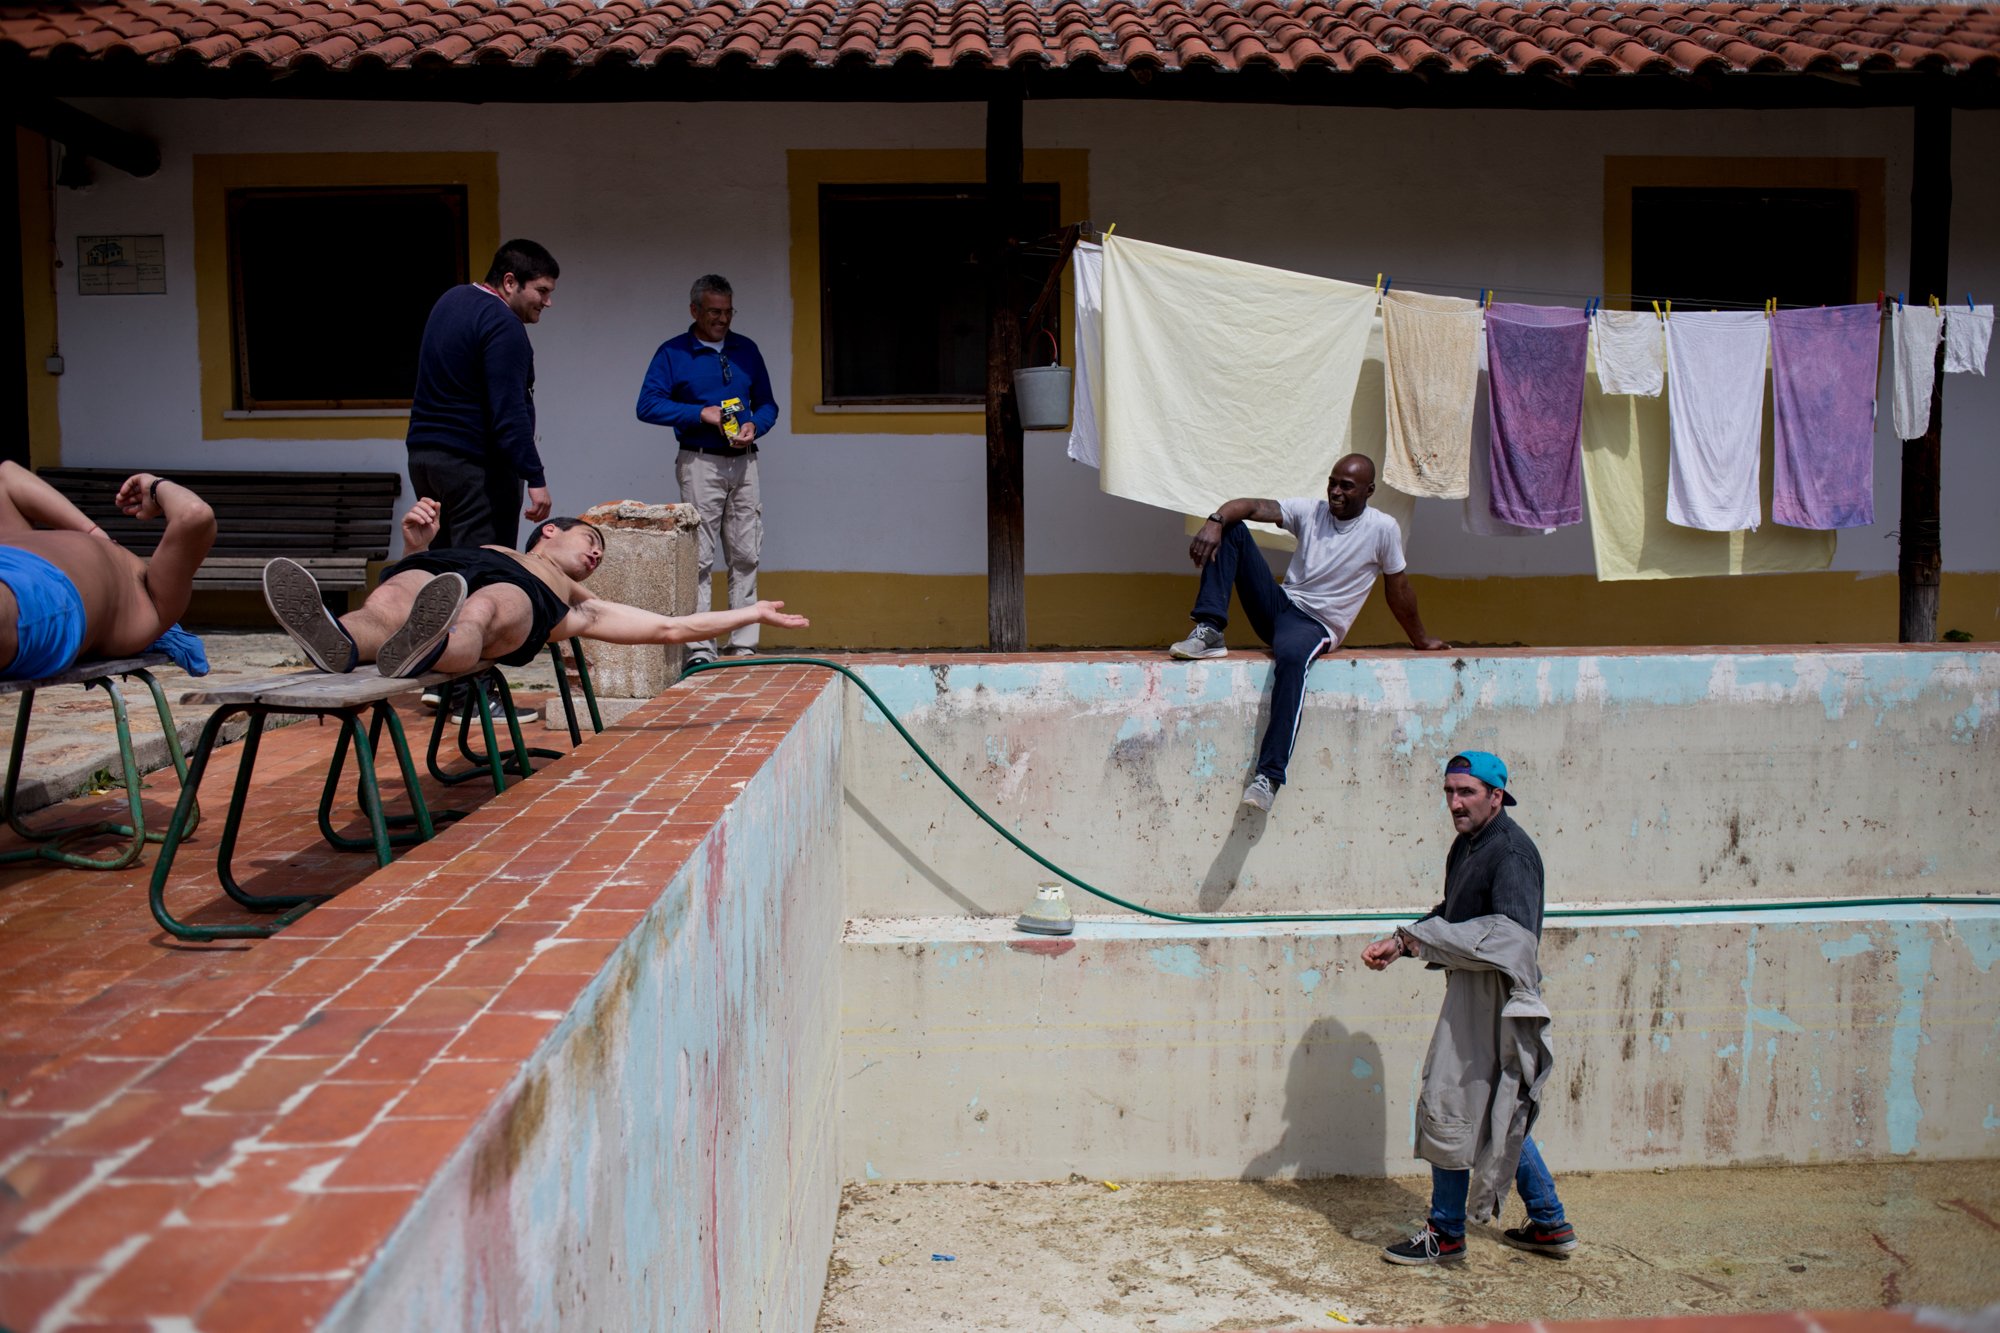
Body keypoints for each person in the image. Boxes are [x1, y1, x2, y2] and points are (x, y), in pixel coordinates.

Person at [1362, 751, 1578, 1267]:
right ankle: (1549, 1223)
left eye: (1466, 792)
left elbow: (1511, 938)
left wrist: (1420, 939)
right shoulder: (1468, 844)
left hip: (1496, 996)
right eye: (1449, 792)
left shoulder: (1512, 854)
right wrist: (1403, 939)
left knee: (1452, 1104)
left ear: (1496, 796)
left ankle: (1446, 1232)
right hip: (1472, 987)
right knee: (1489, 1113)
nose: (1455, 803)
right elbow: (1455, 914)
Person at [1167, 453, 1447, 812]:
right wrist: (1215, 520)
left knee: (1293, 660)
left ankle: (1268, 776)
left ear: (1369, 490)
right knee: (1233, 528)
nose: (1335, 491)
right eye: (1332, 482)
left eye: (1346, 486)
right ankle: (1209, 630)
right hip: (1281, 605)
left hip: (1315, 624)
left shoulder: (1382, 529)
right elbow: (1252, 505)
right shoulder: (1311, 512)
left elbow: (1399, 588)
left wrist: (1420, 639)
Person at [260, 498, 808, 680]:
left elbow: (671, 627)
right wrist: (417, 546)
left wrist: (749, 612)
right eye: (591, 540)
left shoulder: (573, 599)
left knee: (482, 609)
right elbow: (419, 583)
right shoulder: (493, 546)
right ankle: (338, 639)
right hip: (452, 566)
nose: (596, 555)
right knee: (392, 599)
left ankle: (430, 647)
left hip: (522, 596)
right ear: (550, 530)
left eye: (600, 556)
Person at [635, 273, 780, 666]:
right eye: (714, 311)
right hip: (700, 460)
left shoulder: (745, 350)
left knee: (746, 553)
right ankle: (700, 648)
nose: (722, 319)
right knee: (699, 557)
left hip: (745, 460)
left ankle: (744, 646)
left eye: (728, 311)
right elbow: (647, 406)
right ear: (694, 310)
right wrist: (700, 413)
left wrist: (756, 425)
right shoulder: (673, 353)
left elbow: (768, 404)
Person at [406, 239, 560, 554]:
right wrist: (536, 478)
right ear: (509, 281)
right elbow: (509, 411)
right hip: (474, 467)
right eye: (542, 291)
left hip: (425, 458)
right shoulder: (504, 325)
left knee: (443, 570)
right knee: (483, 570)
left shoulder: (451, 299)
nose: (547, 302)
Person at [0, 462, 214, 680]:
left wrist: (153, 487)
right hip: (33, 584)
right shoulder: (149, 607)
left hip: (40, 594)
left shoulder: (148, 610)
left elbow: (196, 515)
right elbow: (193, 514)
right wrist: (155, 487)